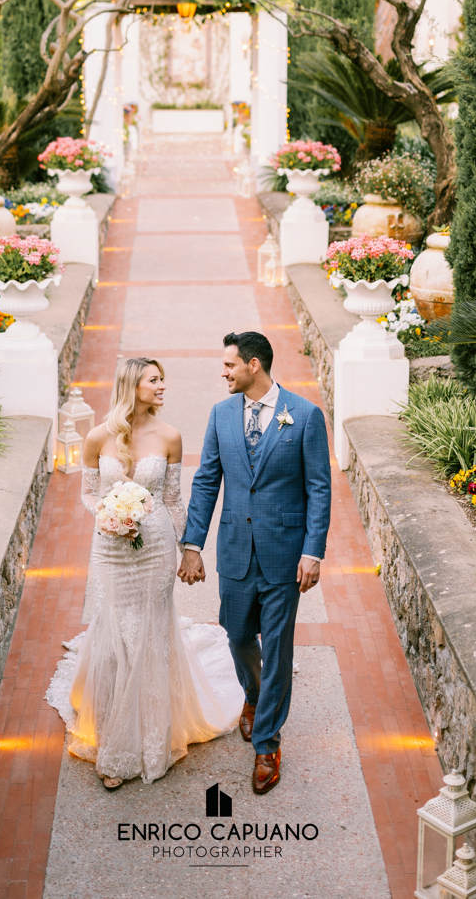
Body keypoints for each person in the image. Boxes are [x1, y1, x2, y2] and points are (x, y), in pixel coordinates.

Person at [46, 357, 242, 789]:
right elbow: (88, 494)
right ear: (133, 385)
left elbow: (172, 499)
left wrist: (189, 550)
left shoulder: (170, 436)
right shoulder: (98, 437)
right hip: (111, 548)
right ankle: (110, 732)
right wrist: (109, 514)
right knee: (114, 634)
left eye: (162, 380)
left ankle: (149, 739)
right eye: (155, 380)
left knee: (150, 632)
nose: (162, 386)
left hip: (154, 549)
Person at [179, 330, 332, 796]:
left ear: (253, 365)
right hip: (235, 550)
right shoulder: (221, 414)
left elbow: (319, 488)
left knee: (278, 646)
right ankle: (254, 693)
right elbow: (207, 480)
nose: (223, 373)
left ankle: (267, 742)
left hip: (285, 554)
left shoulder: (304, 416)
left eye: (229, 365)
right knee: (237, 634)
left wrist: (313, 551)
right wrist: (192, 544)